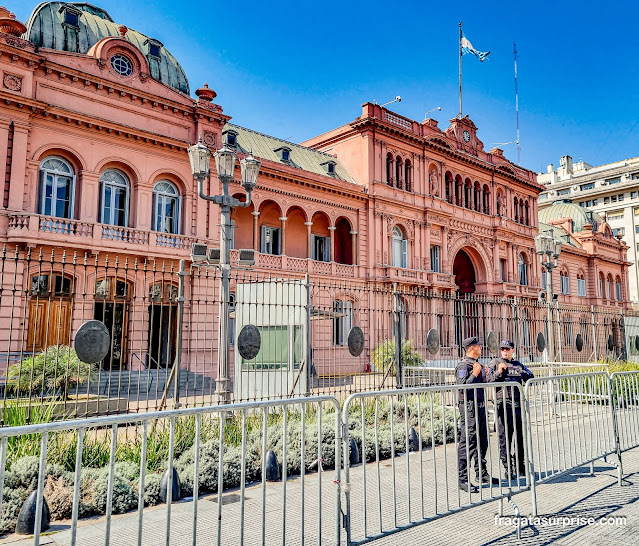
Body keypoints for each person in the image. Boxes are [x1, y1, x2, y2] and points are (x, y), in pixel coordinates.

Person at [455, 336, 499, 492]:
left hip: (480, 407)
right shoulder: (463, 366)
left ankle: (481, 473)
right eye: (478, 346)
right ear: (471, 348)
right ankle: (463, 479)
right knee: (468, 442)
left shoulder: (477, 365)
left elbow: (488, 381)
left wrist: (492, 372)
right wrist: (474, 374)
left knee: (482, 441)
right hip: (469, 408)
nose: (481, 348)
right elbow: (462, 387)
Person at [488, 340, 534, 481]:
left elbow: (530, 376)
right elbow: (488, 380)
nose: (504, 351)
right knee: (505, 439)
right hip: (503, 406)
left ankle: (520, 466)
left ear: (513, 350)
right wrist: (498, 372)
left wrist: (521, 373)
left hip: (517, 405)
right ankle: (508, 468)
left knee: (520, 438)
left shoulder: (518, 364)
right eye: (502, 349)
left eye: (507, 348)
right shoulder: (494, 363)